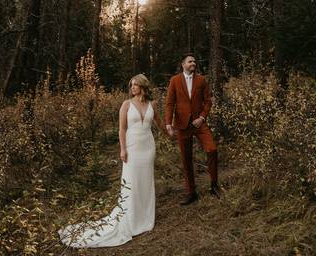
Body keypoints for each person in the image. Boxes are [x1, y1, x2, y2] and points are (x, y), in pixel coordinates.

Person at [58, 74, 169, 248]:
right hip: (132, 148)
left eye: (135, 85)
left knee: (145, 183)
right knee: (131, 183)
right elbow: (121, 129)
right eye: (131, 85)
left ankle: (145, 218)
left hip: (148, 148)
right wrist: (123, 149)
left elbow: (161, 125)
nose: (132, 88)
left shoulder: (152, 105)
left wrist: (172, 133)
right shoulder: (126, 104)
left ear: (143, 86)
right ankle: (131, 219)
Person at [164, 53, 219, 204]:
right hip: (182, 125)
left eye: (194, 61)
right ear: (183, 65)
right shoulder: (175, 80)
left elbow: (208, 102)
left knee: (212, 149)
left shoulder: (201, 80)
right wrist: (168, 123)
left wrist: (202, 118)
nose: (193, 63)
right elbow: (170, 103)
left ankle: (214, 185)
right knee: (186, 159)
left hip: (199, 124)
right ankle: (191, 192)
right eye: (190, 61)